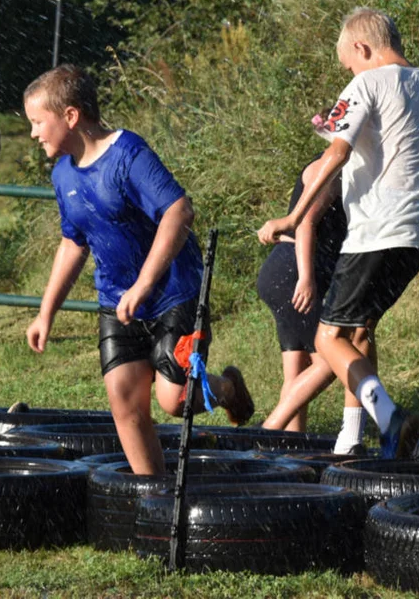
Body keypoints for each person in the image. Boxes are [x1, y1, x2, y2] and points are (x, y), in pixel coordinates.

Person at [258, 7, 419, 459]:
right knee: (360, 331)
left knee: (328, 339)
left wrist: (294, 217)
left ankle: (390, 418)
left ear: (361, 48)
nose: (350, 73)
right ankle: (353, 438)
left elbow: (336, 153)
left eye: (349, 64)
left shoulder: (365, 83)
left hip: (377, 229)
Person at [23, 64, 255, 476]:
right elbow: (72, 243)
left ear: (71, 116)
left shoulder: (129, 154)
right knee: (126, 405)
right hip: (117, 301)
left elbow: (179, 211)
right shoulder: (62, 174)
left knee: (175, 400)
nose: (34, 133)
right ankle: (154, 498)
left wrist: (145, 284)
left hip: (172, 293)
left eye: (39, 122)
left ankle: (226, 388)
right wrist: (46, 312)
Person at [256, 155, 347, 435]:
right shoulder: (333, 171)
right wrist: (306, 278)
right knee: (331, 360)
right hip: (294, 273)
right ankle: (270, 430)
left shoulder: (324, 166)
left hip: (283, 270)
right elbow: (306, 222)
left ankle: (292, 445)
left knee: (297, 367)